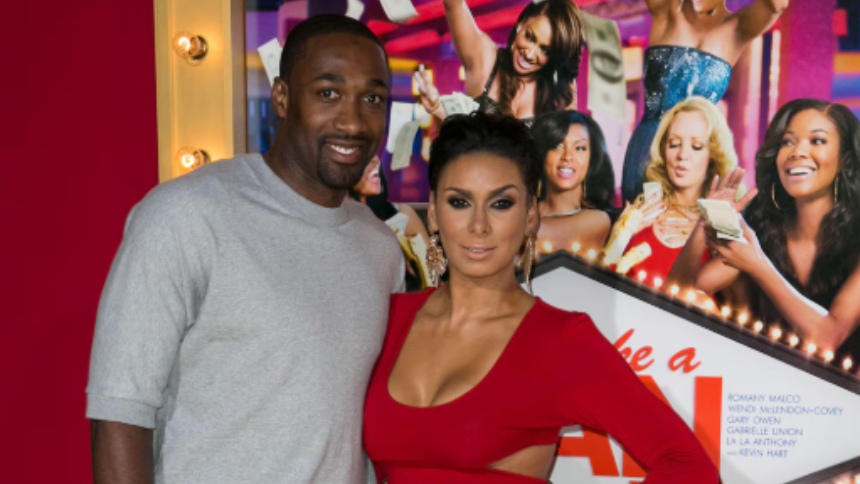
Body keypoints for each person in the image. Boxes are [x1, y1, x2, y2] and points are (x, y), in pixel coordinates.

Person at [86, 15, 404, 484]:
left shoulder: (381, 250)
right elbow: (119, 414)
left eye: (372, 99)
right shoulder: (185, 215)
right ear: (282, 97)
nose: (353, 121)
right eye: (328, 93)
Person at [363, 112, 718, 483]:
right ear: (434, 212)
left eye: (501, 204)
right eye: (460, 202)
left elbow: (688, 465)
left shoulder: (559, 341)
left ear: (531, 215)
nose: (479, 226)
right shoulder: (389, 319)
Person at [673, 99, 860, 359]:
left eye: (817, 141)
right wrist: (702, 225)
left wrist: (758, 265)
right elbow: (678, 296)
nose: (797, 151)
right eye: (787, 141)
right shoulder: (762, 229)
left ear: (844, 159)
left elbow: (828, 338)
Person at [620, 0, 788, 203]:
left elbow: (776, 5)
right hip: (649, 148)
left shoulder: (737, 27)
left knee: (690, 220)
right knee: (639, 219)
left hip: (695, 155)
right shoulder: (665, 9)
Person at [610, 97, 745, 285]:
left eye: (696, 146)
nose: (682, 155)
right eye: (674, 144)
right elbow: (603, 285)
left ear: (713, 155)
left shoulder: (723, 225)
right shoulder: (639, 214)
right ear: (663, 150)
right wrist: (618, 236)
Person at [416, 0, 583, 123]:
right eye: (529, 37)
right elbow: (453, 5)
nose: (530, 55)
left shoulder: (560, 91)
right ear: (521, 23)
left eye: (545, 50)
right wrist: (437, 108)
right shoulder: (486, 59)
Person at [531, 110, 615, 257]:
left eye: (579, 148)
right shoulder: (523, 210)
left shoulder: (599, 220)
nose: (568, 156)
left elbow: (531, 235)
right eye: (558, 146)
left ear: (592, 159)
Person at [352, 155, 432, 289]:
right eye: (364, 152)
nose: (374, 160)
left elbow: (432, 279)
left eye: (374, 151)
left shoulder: (402, 218)